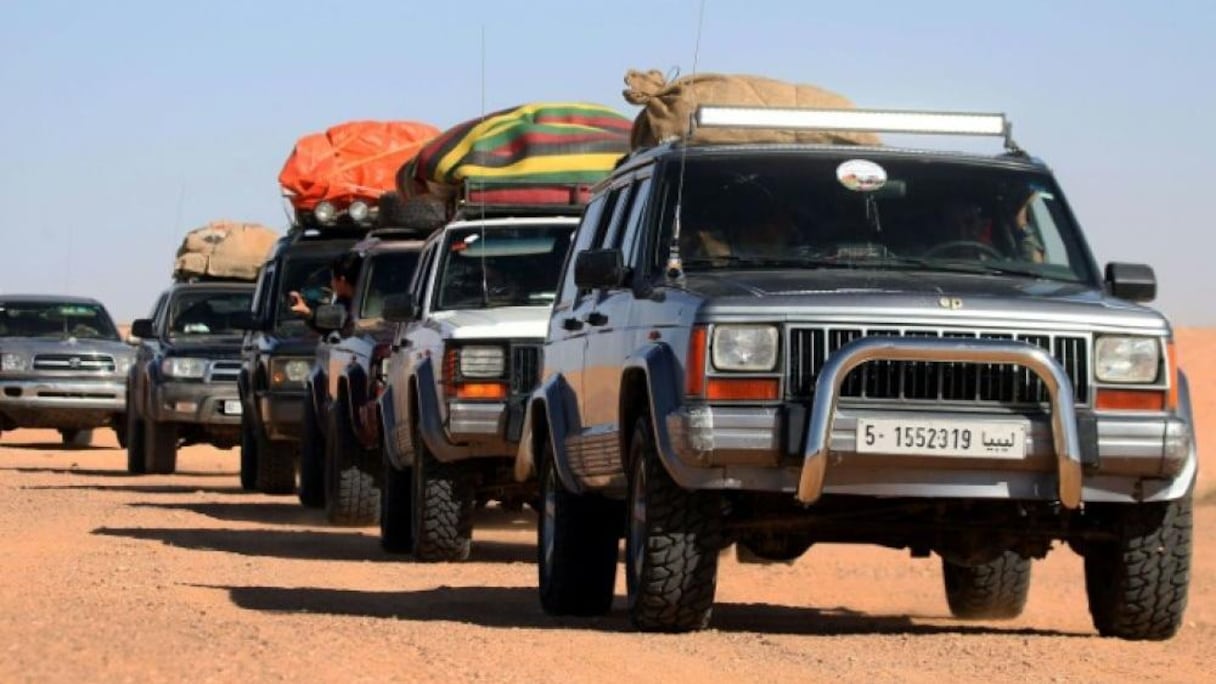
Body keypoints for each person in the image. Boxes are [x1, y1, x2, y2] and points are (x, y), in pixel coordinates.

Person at [289, 251, 363, 332]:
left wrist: (308, 313)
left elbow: (340, 318)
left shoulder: (361, 306)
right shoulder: (349, 301)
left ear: (342, 280)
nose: (332, 283)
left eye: (333, 279)